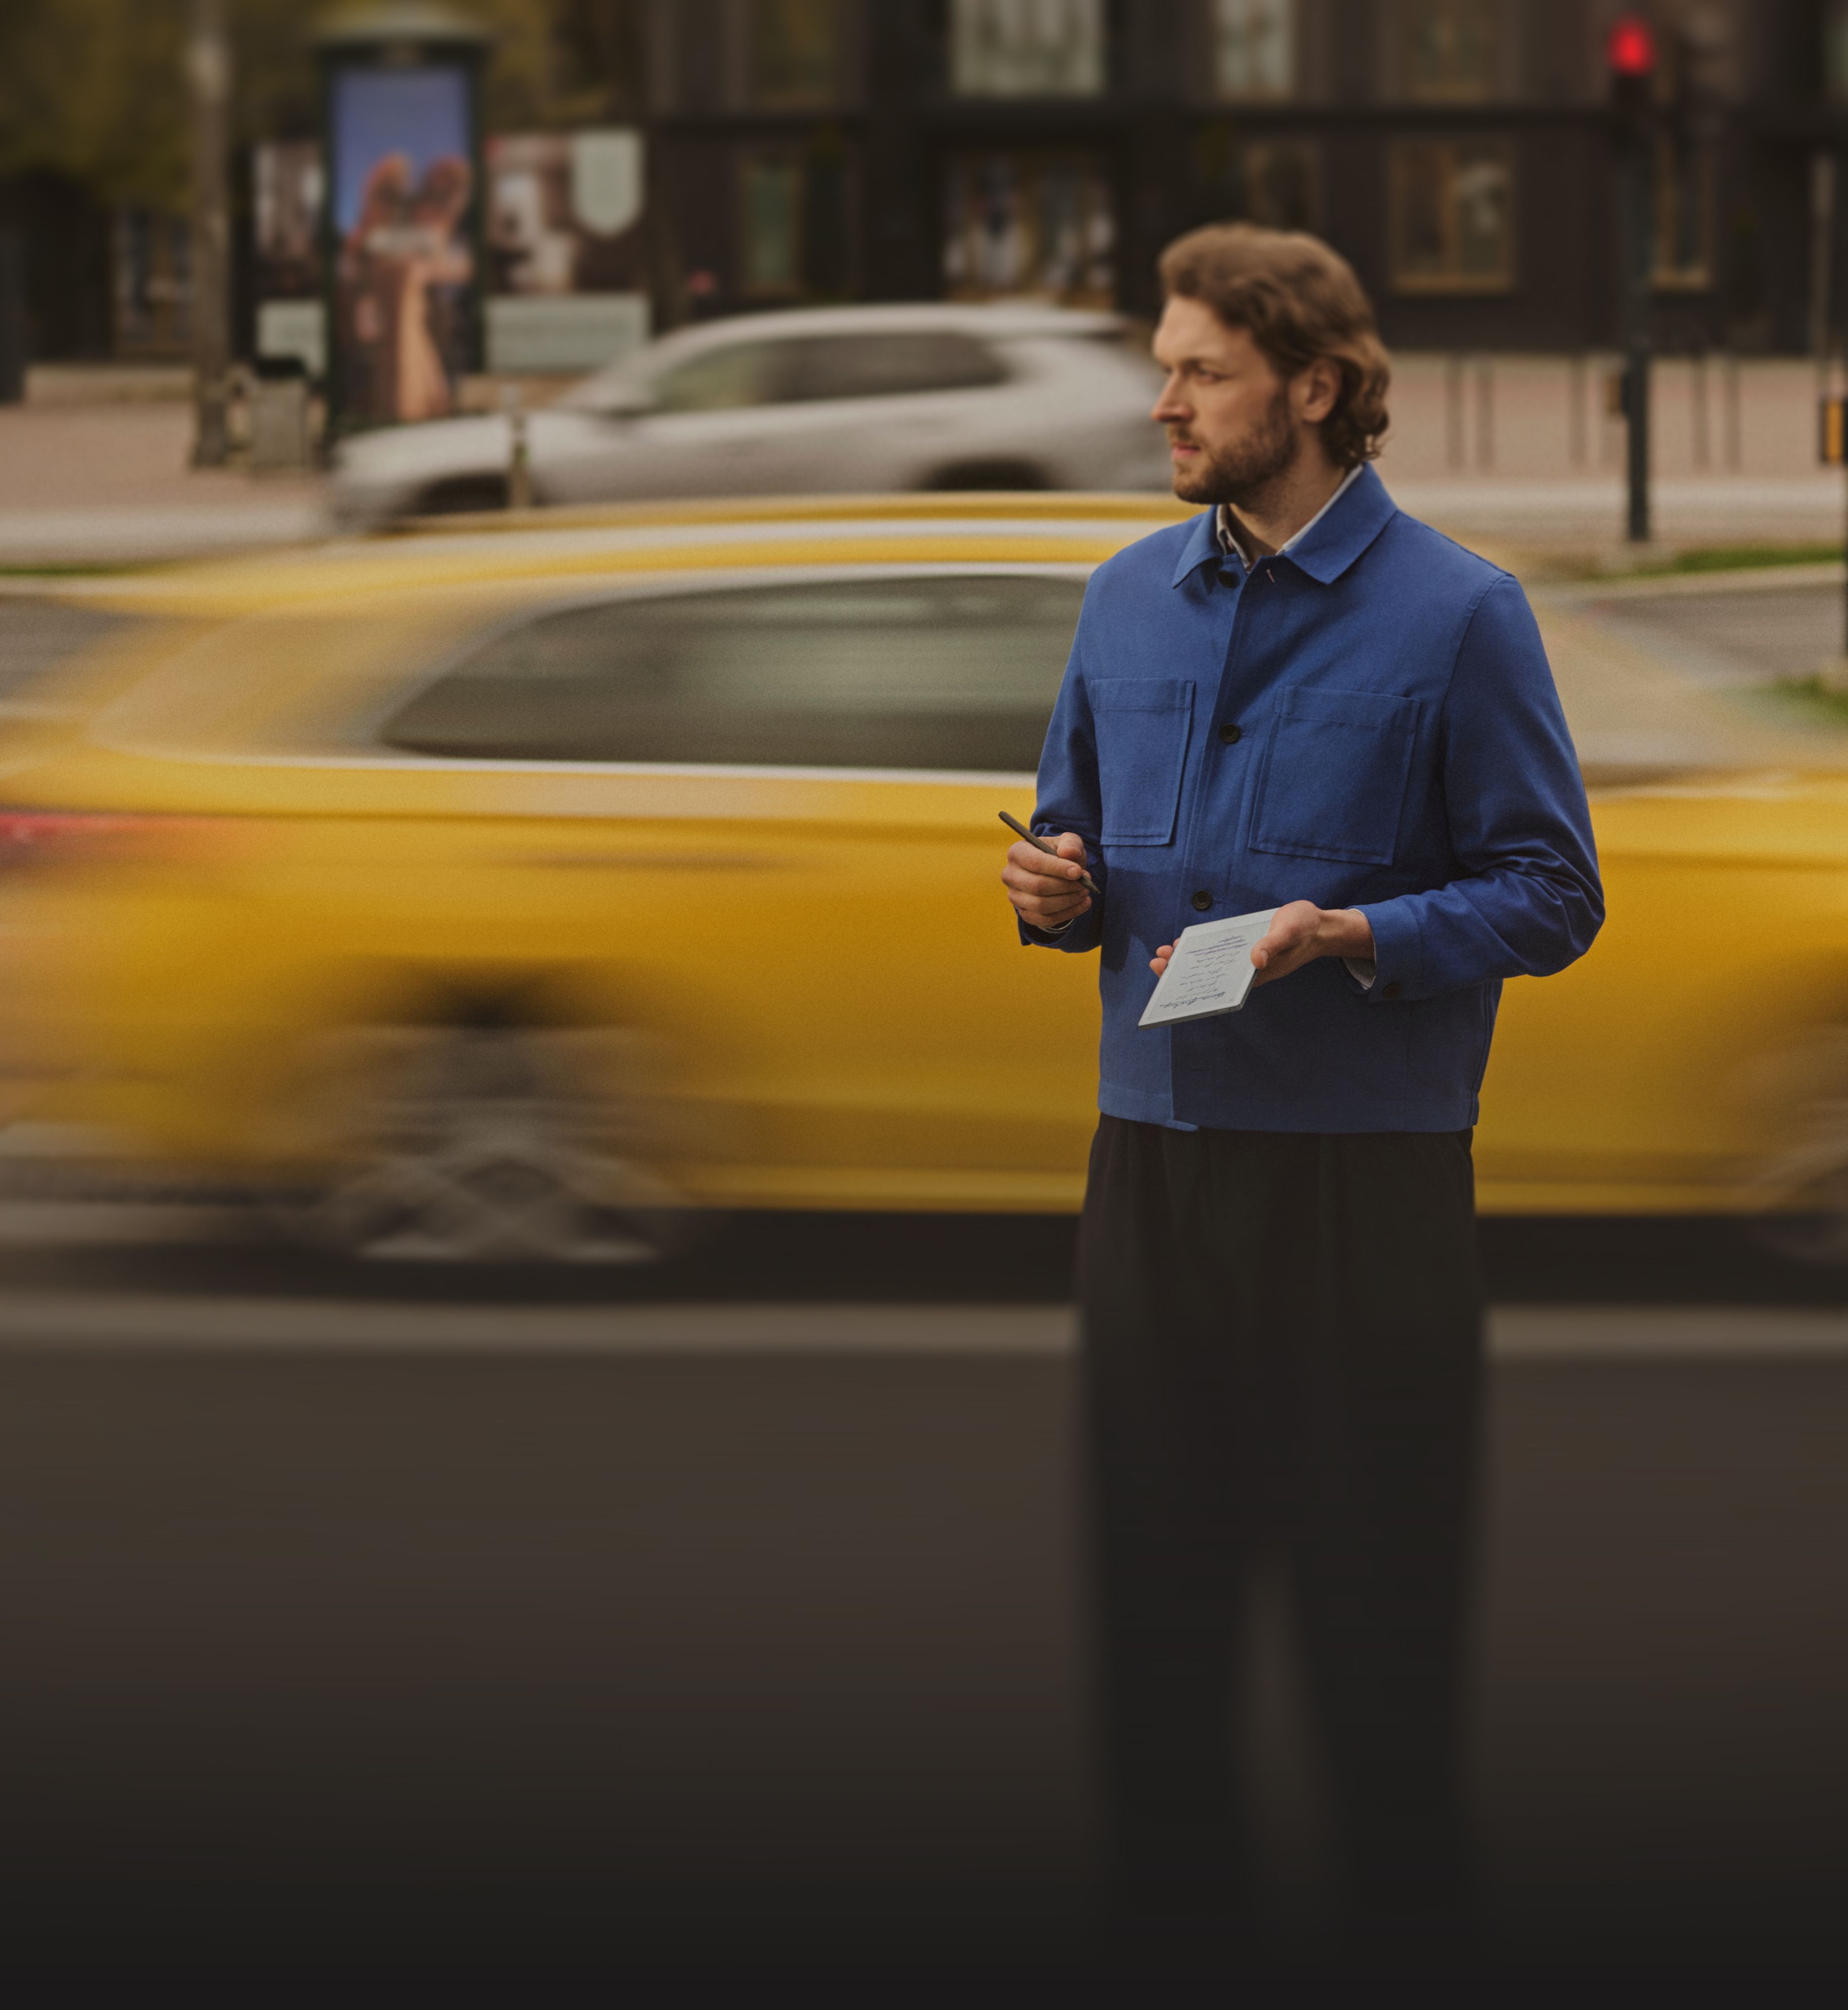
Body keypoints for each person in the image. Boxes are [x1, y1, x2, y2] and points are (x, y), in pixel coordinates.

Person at [1001, 224, 1602, 1965]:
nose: (1164, 402)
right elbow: (1074, 837)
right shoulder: (1122, 599)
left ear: (1316, 390)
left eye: (1202, 372)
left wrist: (1358, 931)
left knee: (1375, 1638)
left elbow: (1555, 893)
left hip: (1365, 1194)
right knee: (1156, 1629)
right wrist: (1056, 893)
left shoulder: (1463, 617)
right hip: (1155, 1173)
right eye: (1166, 365)